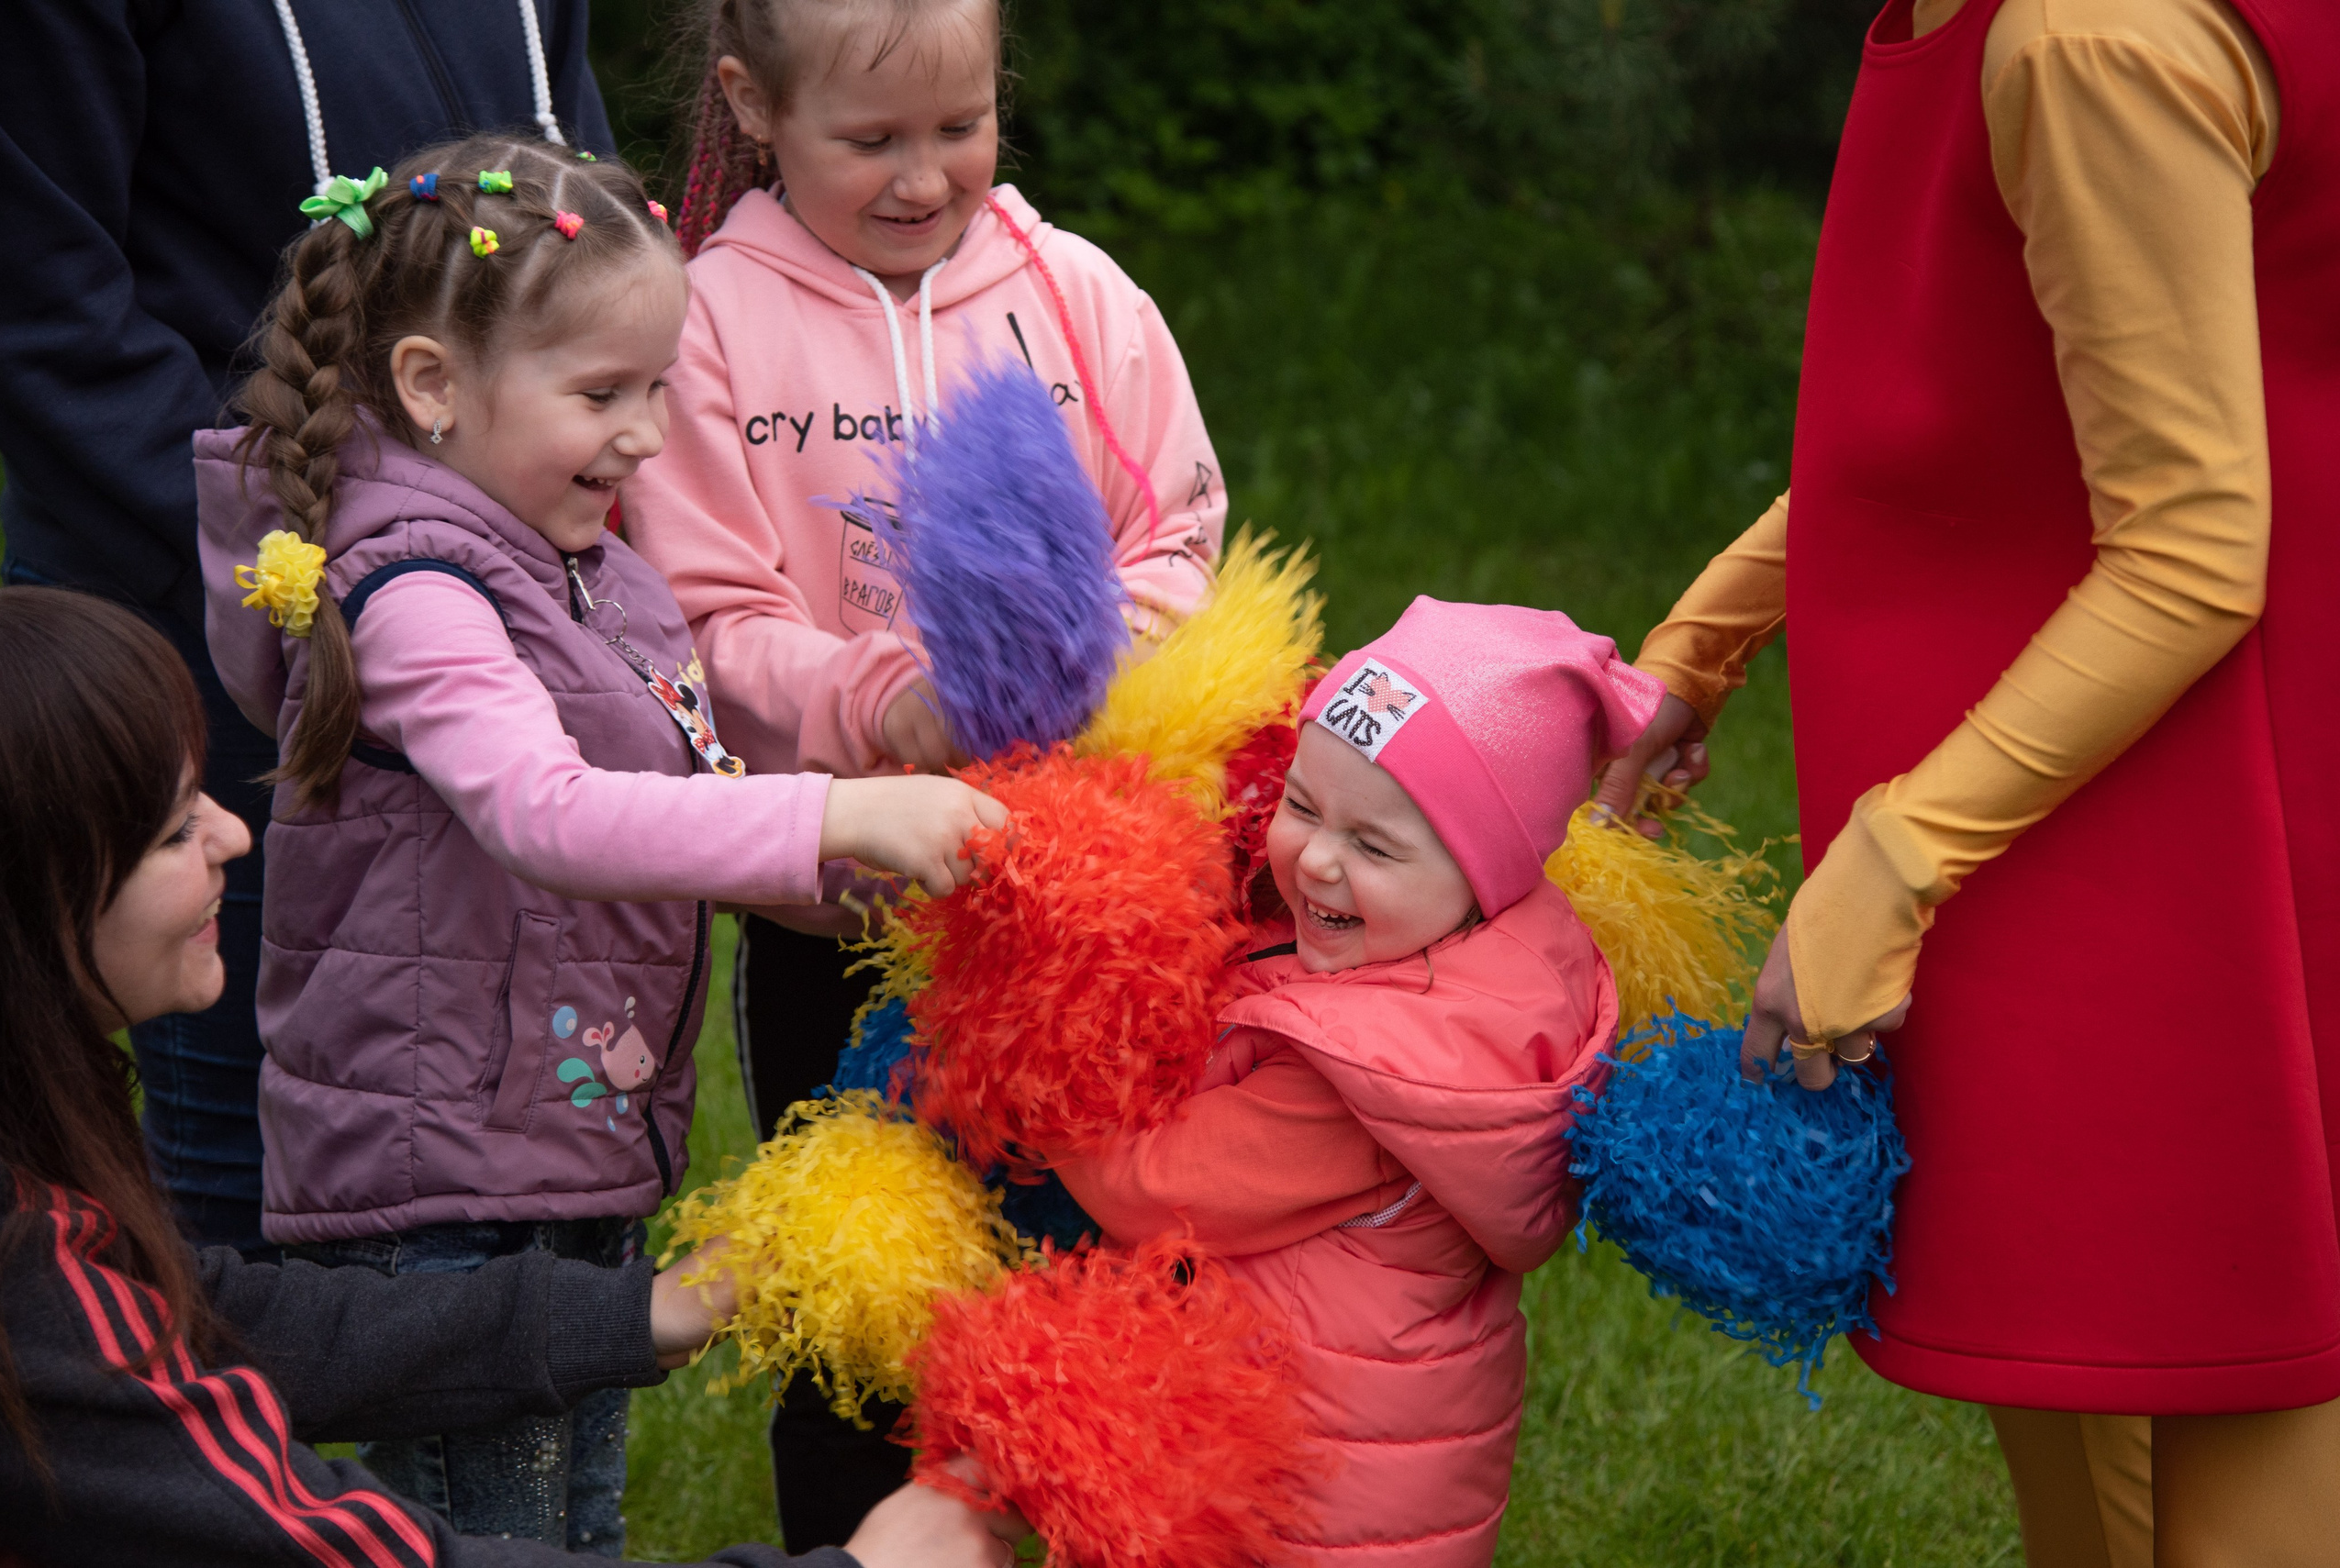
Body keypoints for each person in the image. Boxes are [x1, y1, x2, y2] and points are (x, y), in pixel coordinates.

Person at [1595, 1, 2340, 1562]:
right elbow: (1999, 417)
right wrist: (1708, 638)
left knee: (2231, 1399)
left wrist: (1895, 857)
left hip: (2199, 817)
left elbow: (2199, 548)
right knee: (2113, 1380)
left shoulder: (2086, 39)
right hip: (2120, 785)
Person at [194, 136, 1004, 1552]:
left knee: (573, 1528)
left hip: (552, 1148)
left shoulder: (576, 562)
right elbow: (547, 809)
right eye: (601, 394)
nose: (645, 435)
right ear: (432, 385)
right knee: (487, 1534)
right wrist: (836, 806)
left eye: (658, 390)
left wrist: (841, 883)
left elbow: (674, 798)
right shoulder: (420, 590)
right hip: (440, 1177)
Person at [0, 584, 1025, 1568]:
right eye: (174, 830)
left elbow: (200, 1323)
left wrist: (648, 1309)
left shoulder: (33, 1143)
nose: (233, 832)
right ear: (30, 906)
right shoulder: (14, 1265)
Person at [616, 0, 1227, 1540]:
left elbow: (1180, 528)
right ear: (754, 107)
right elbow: (704, 618)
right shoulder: (704, 324)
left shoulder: (1071, 292)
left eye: (959, 126)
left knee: (1098, 1254)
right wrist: (882, 696)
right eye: (871, 139)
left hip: (1076, 918)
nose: (923, 176)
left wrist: (1097, 649)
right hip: (844, 913)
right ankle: (846, 1538)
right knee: (866, 1288)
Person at [0, 0, 621, 1265]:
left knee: (487, 1123)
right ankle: (222, 1452)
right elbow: (41, 294)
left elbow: (576, 185)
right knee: (237, 1171)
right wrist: (307, 540)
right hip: (214, 623)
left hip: (495, 591)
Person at [1048, 598, 1662, 1567]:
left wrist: (1044, 1073)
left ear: (1483, 870)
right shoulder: (1491, 969)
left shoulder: (1377, 1071)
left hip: (1306, 1500)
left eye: (1373, 846)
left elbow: (1153, 1186)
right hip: (1374, 1472)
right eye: (1300, 805)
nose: (1316, 857)